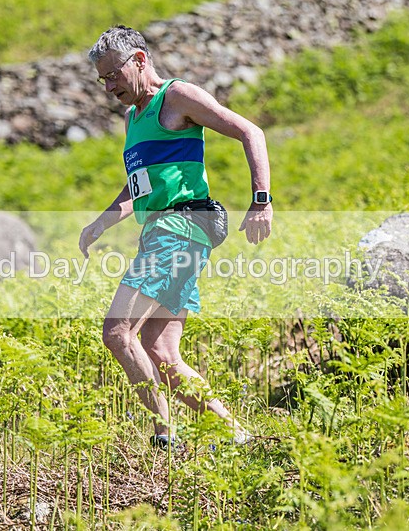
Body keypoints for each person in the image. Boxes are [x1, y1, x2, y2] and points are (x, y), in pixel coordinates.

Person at [79, 25, 273, 448]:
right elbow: (140, 186)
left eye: (113, 75)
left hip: (180, 229)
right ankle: (239, 437)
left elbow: (250, 132)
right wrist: (101, 222)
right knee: (162, 355)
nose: (108, 87)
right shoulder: (133, 118)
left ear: (139, 60)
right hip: (162, 232)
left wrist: (261, 200)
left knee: (118, 333)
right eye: (102, 80)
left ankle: (164, 437)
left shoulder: (177, 96)